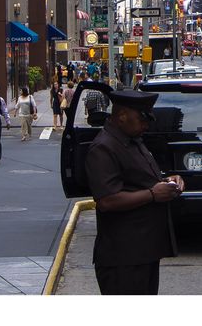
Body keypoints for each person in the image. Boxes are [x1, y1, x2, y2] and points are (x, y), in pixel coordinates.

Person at [85, 89, 184, 295]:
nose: (146, 125)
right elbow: (107, 200)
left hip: (143, 253)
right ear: (122, 116)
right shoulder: (104, 147)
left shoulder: (133, 141)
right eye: (142, 119)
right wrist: (152, 194)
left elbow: (141, 180)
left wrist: (168, 181)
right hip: (123, 258)